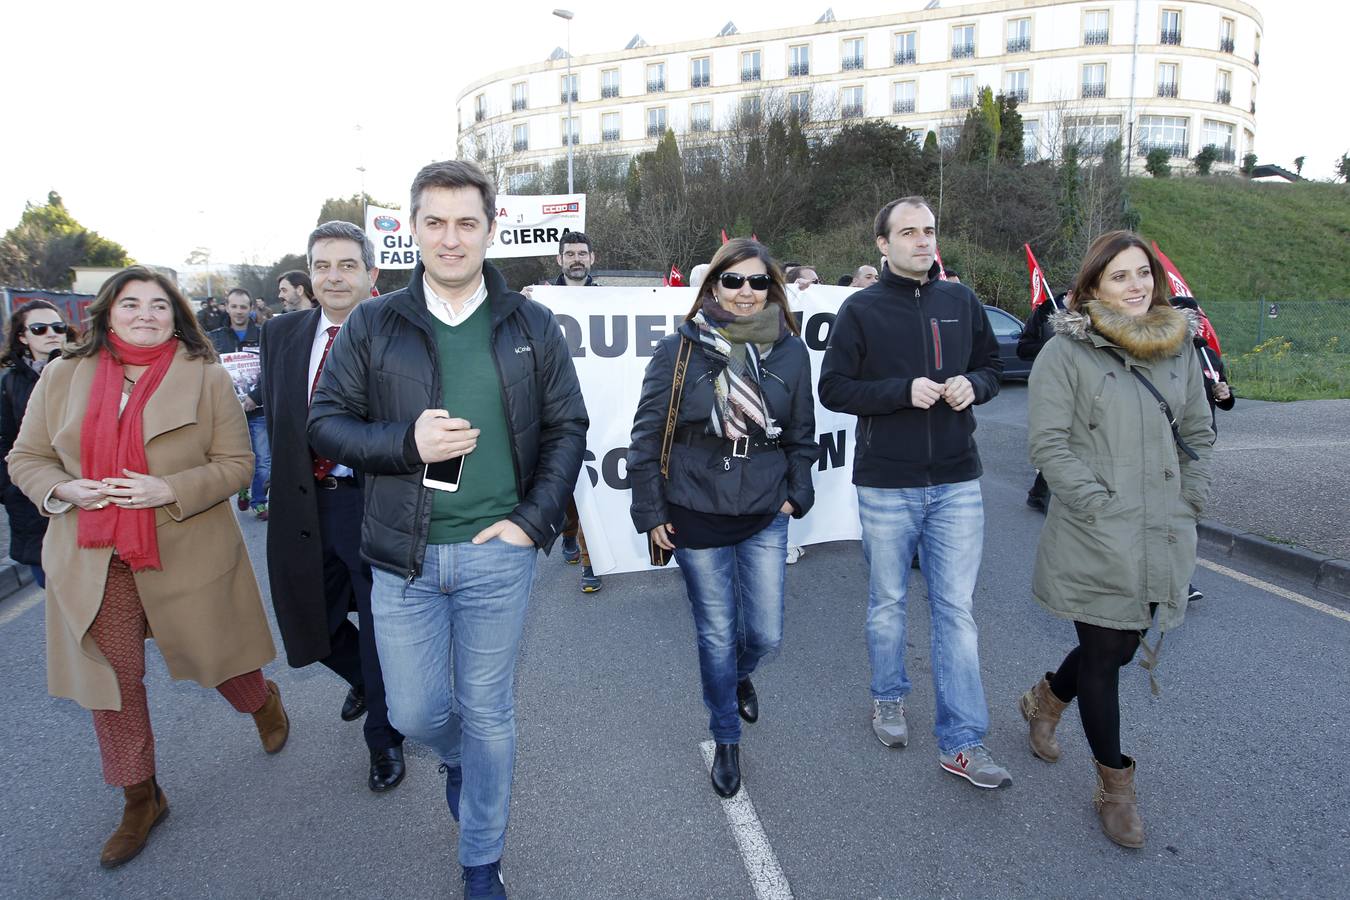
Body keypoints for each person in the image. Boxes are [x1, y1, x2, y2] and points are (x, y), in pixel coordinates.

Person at [308, 160, 587, 899]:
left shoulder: (532, 323)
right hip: (403, 558)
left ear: (490, 230)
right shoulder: (374, 321)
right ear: (413, 231)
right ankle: (460, 759)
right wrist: (407, 443)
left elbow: (567, 427)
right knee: (417, 711)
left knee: (491, 710)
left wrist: (535, 522)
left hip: (501, 552)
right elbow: (324, 423)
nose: (452, 238)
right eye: (435, 222)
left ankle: (481, 861)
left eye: (468, 222)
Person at [8, 265, 287, 868]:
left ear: (175, 314)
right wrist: (63, 489)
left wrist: (169, 488)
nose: (144, 314)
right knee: (112, 680)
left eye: (158, 305)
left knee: (215, 658)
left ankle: (261, 700)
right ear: (107, 312)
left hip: (183, 545)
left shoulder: (205, 375)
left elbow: (238, 465)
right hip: (93, 554)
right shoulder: (62, 375)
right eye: (131, 303)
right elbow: (26, 457)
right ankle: (141, 795)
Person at [1020, 231, 1213, 849]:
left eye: (1142, 274)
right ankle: (1116, 787)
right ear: (1092, 288)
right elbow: (1048, 445)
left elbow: (1198, 434)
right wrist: (1099, 505)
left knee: (1124, 648)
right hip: (1095, 533)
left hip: (1163, 529)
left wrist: (1190, 498)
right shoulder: (1067, 353)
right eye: (1119, 276)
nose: (1135, 286)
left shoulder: (1179, 348)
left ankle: (1046, 698)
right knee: (1106, 656)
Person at [819, 196, 1011, 790]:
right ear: (882, 244)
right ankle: (887, 698)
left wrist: (972, 386)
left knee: (957, 612)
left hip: (957, 481)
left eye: (928, 231)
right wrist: (903, 390)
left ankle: (962, 742)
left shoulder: (962, 300)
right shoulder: (861, 309)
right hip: (886, 482)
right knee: (888, 602)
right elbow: (834, 389)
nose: (922, 241)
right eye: (908, 232)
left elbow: (993, 369)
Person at [629, 239, 816, 799]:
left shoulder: (790, 351)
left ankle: (738, 675)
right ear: (712, 286)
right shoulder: (678, 350)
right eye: (732, 281)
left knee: (764, 633)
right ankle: (726, 737)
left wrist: (794, 496)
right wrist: (651, 508)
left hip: (763, 506)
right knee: (715, 633)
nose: (744, 292)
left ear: (771, 290)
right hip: (695, 503)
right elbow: (646, 435)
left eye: (757, 283)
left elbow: (803, 435)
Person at [260, 221, 405, 792]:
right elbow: (279, 422)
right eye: (323, 265)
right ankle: (370, 683)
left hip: (373, 504)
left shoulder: (398, 334)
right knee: (309, 623)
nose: (334, 276)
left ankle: (384, 740)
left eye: (348, 265)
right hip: (303, 507)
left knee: (375, 629)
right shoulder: (283, 336)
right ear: (309, 275)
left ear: (372, 274)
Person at [0, 300, 74, 587]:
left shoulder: (86, 371)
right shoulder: (9, 384)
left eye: (58, 327)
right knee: (53, 588)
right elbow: (5, 441)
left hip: (86, 494)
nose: (51, 333)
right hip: (32, 501)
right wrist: (10, 489)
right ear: (22, 336)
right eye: (39, 328)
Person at [1169, 294, 1234, 601]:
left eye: (1196, 320)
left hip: (1199, 445)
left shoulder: (1209, 357)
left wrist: (1225, 393)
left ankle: (1180, 580)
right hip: (1166, 445)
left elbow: (1226, 400)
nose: (1193, 325)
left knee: (1185, 514)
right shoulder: (1163, 354)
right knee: (1168, 514)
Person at [549, 232, 604, 593]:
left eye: (582, 253)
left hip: (600, 402)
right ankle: (569, 532)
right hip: (558, 407)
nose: (576, 259)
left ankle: (591, 560)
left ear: (592, 258)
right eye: (570, 254)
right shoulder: (539, 301)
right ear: (560, 260)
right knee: (567, 484)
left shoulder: (609, 299)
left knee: (593, 484)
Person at [208, 288, 269, 520]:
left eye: (244, 307)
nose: (239, 311)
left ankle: (259, 501)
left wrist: (256, 397)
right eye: (234, 306)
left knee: (263, 459)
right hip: (229, 410)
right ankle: (243, 487)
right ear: (226, 306)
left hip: (259, 407)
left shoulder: (265, 334)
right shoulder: (216, 337)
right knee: (238, 456)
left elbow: (271, 370)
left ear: (251, 308)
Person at [1017, 290, 1071, 513]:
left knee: (1073, 441)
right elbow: (1023, 349)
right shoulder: (1045, 311)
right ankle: (1042, 495)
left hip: (1080, 385)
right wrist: (1053, 347)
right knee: (1054, 439)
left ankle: (1040, 493)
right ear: (1070, 293)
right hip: (1049, 385)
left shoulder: (1094, 313)